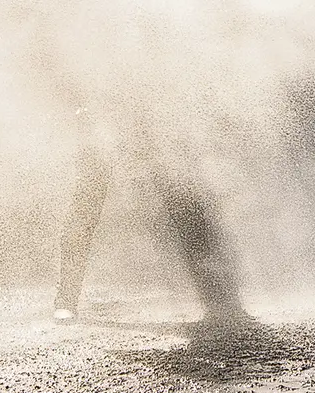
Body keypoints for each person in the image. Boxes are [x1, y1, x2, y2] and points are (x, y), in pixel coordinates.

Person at [53, 106, 246, 324]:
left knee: (178, 186)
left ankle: (217, 296)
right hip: (99, 110)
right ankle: (66, 298)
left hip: (146, 110)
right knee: (87, 201)